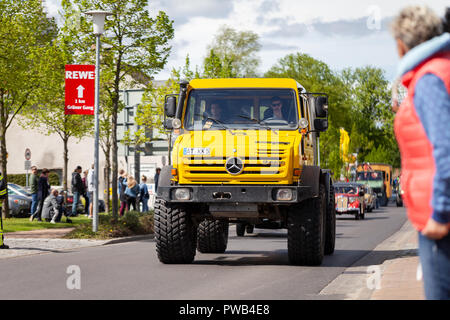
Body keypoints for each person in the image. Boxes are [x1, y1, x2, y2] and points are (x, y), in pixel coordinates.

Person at [391, 5, 450, 299]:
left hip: (440, 221)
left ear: (403, 44)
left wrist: (440, 212)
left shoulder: (429, 79)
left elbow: (446, 149)